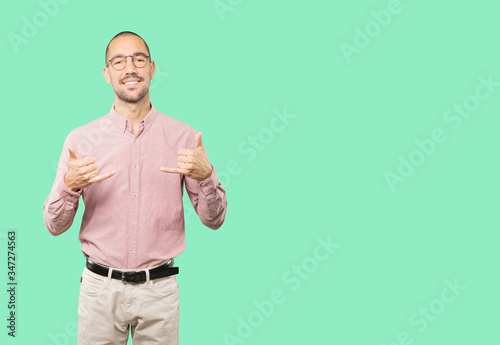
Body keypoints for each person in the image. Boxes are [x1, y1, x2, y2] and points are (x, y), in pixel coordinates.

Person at [42, 31, 227, 345]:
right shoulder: (81, 140)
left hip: (159, 293)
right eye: (119, 61)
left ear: (152, 69)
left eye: (138, 60)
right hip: (99, 290)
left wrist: (207, 175)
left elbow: (214, 220)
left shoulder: (183, 138)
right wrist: (69, 187)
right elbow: (53, 225)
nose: (130, 68)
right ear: (107, 73)